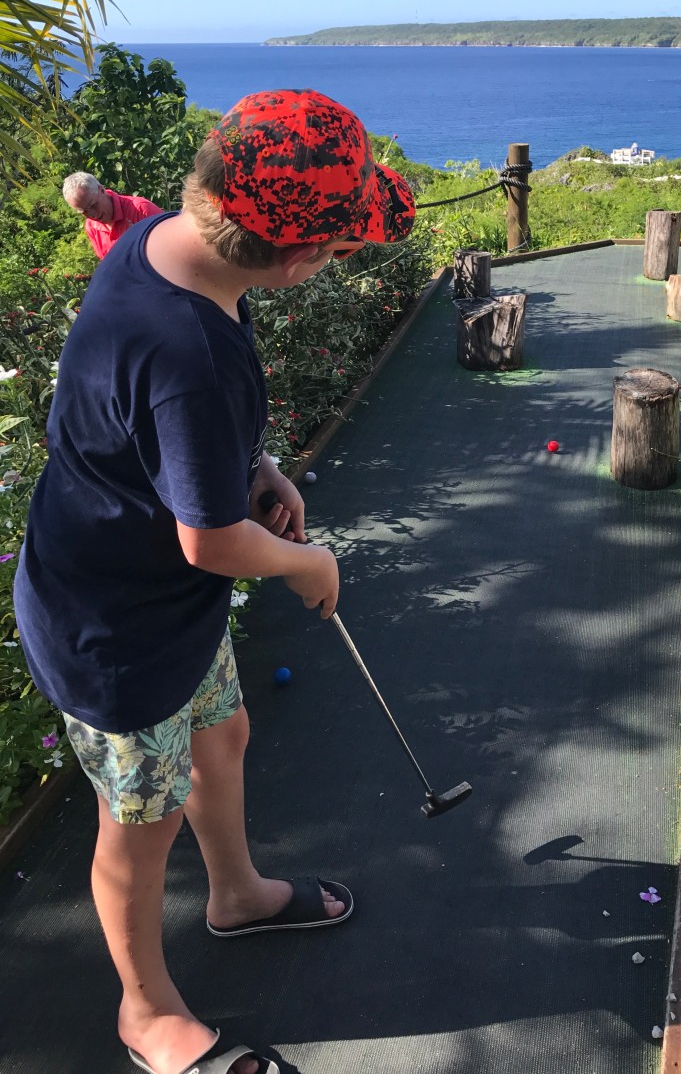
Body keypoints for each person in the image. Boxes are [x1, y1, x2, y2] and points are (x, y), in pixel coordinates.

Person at [16, 90, 416, 1074]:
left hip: (158, 596)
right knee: (139, 821)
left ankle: (235, 896)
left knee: (223, 734)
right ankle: (145, 1011)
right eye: (336, 245)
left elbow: (187, 453)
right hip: (115, 624)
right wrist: (305, 561)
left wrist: (255, 466)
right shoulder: (191, 349)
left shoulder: (160, 234)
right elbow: (210, 543)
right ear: (302, 258)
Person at [62, 171, 163, 259]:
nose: (92, 214)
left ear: (101, 190)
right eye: (84, 212)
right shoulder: (91, 227)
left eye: (93, 205)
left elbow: (172, 247)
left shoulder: (140, 209)